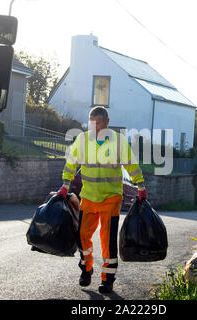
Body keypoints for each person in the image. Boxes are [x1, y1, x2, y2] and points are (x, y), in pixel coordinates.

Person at [57, 106, 147, 294]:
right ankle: (86, 268)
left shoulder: (118, 141)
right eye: (92, 124)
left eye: (98, 123)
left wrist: (141, 187)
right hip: (88, 197)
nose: (95, 128)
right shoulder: (82, 140)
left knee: (107, 241)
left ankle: (107, 279)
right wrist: (65, 186)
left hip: (111, 198)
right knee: (82, 237)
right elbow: (70, 164)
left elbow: (132, 165)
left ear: (107, 122)